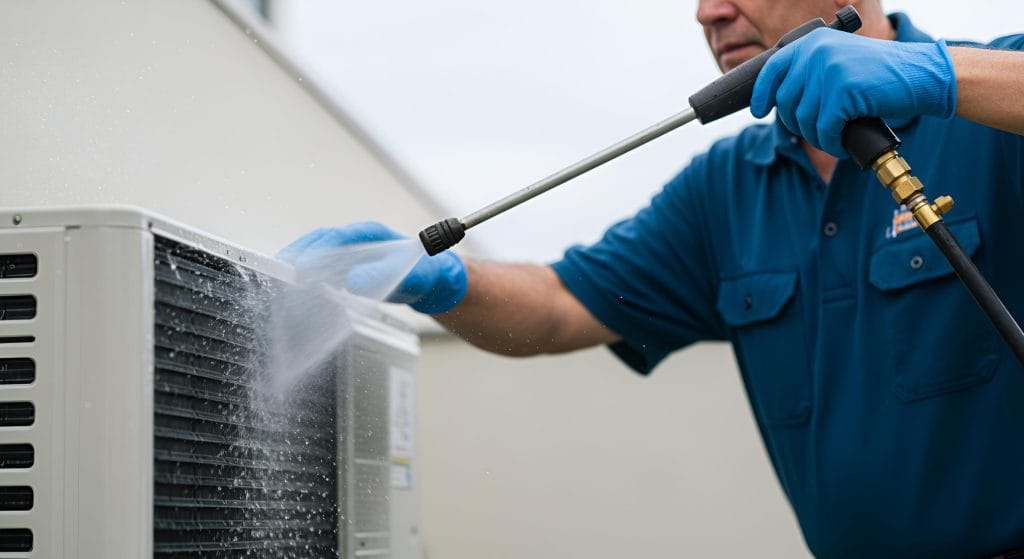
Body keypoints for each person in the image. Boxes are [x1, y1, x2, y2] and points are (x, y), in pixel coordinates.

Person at [283, 1, 1024, 556]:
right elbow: (558, 307)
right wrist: (440, 280)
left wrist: (938, 76)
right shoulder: (728, 189)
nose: (708, 11)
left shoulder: (990, 98)